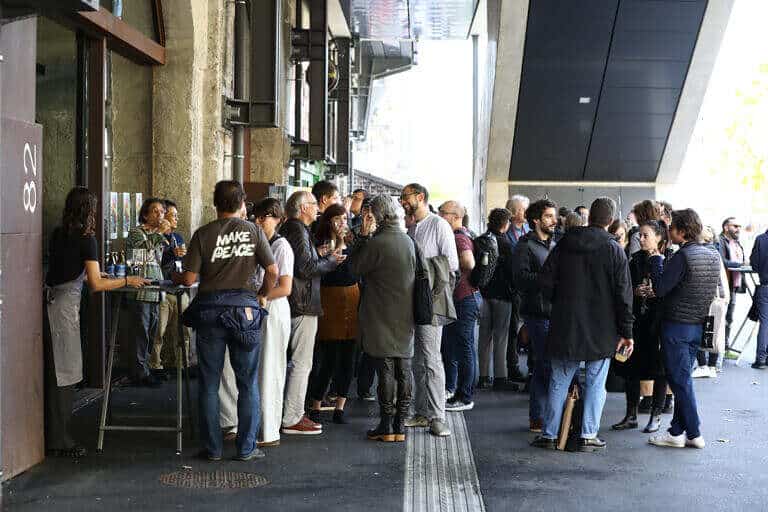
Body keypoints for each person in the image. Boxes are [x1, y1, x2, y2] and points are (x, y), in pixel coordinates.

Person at [176, 180, 278, 461]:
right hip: (245, 312)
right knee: (247, 383)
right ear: (242, 203)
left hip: (210, 312)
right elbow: (272, 270)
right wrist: (262, 295)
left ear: (215, 203)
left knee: (209, 383)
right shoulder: (254, 231)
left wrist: (175, 275)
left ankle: (213, 449)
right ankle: (246, 448)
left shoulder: (203, 234)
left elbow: (189, 278)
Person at [44, 187, 148, 458]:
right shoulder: (87, 239)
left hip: (50, 303)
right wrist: (127, 280)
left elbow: (74, 269)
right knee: (66, 373)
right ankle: (60, 440)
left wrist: (99, 274)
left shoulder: (58, 234)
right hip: (65, 309)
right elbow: (96, 284)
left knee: (55, 372)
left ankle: (55, 434)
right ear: (89, 210)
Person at [531, 197, 634, 452]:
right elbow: (624, 295)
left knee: (559, 380)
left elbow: (544, 282)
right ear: (610, 220)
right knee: (596, 382)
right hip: (602, 328)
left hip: (565, 324)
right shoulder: (614, 250)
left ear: (590, 217)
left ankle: (550, 434)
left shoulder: (565, 243)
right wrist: (626, 332)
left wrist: (560, 302)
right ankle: (588, 435)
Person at [647, 209, 720, 449]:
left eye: (671, 228)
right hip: (698, 326)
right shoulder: (712, 255)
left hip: (676, 327)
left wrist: (656, 260)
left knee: (680, 381)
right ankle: (677, 432)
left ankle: (694, 431)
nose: (669, 232)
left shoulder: (682, 256)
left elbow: (660, 288)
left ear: (682, 230)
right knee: (683, 379)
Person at [348, 195, 416, 442]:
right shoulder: (407, 241)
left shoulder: (377, 242)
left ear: (377, 215)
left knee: (385, 366)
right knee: (404, 367)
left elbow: (354, 268)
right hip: (405, 311)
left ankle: (386, 425)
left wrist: (362, 237)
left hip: (379, 311)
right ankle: (400, 424)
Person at [280, 191, 342, 436]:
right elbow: (305, 268)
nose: (317, 208)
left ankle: (289, 413)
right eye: (314, 204)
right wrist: (331, 262)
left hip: (297, 301)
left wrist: (320, 255)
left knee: (294, 362)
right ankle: (292, 417)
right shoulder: (297, 229)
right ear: (304, 208)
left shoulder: (294, 229)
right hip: (303, 303)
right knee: (301, 363)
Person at [400, 183, 458, 437]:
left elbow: (452, 263)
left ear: (420, 197)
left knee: (432, 359)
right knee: (417, 359)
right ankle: (422, 412)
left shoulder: (439, 225)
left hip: (431, 301)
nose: (402, 201)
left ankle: (437, 417)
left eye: (405, 197)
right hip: (412, 300)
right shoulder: (412, 227)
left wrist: (421, 270)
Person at [611, 220, 670, 434]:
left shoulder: (668, 258)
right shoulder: (635, 260)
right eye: (640, 236)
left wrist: (656, 291)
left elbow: (668, 289)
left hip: (659, 322)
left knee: (660, 370)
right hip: (637, 321)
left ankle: (656, 415)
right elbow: (624, 287)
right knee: (631, 368)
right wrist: (635, 291)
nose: (641, 239)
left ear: (659, 237)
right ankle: (631, 414)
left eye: (646, 236)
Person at [307, 203, 361, 424]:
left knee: (348, 355)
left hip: (352, 296)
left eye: (345, 219)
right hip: (329, 298)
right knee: (328, 356)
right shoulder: (320, 243)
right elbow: (316, 269)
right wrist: (329, 252)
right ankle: (316, 404)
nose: (342, 223)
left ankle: (340, 406)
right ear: (328, 221)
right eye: (337, 219)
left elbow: (359, 266)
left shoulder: (352, 241)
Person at [511, 199, 557, 433]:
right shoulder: (525, 246)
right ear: (536, 220)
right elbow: (519, 279)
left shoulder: (554, 244)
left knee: (543, 364)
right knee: (545, 363)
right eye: (548, 216)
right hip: (536, 313)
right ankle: (543, 416)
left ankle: (539, 415)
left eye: (554, 216)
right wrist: (547, 280)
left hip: (554, 311)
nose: (554, 220)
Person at [439, 200, 481, 412]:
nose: (440, 216)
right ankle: (455, 390)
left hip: (464, 298)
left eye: (443, 213)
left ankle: (465, 396)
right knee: (456, 346)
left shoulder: (459, 238)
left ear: (456, 217)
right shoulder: (465, 234)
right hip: (465, 298)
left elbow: (469, 263)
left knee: (464, 348)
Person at [125, 197, 168, 387]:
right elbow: (142, 253)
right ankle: (139, 373)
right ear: (145, 215)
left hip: (155, 289)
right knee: (140, 332)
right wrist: (159, 232)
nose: (160, 215)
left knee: (152, 331)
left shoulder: (158, 235)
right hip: (140, 290)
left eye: (162, 212)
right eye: (155, 211)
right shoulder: (136, 232)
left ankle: (147, 368)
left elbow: (157, 261)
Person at [477, 208, 517, 391]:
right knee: (501, 337)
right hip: (503, 295)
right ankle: (500, 377)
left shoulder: (481, 240)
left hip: (483, 293)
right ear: (505, 224)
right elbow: (511, 271)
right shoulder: (506, 244)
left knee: (484, 336)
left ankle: (483, 376)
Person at [151, 199, 191, 372]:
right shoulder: (156, 237)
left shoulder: (178, 237)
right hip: (162, 291)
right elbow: (152, 261)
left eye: (177, 215)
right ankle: (155, 366)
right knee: (158, 332)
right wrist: (171, 253)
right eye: (173, 215)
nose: (176, 218)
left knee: (184, 331)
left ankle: (182, 365)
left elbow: (182, 260)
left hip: (179, 290)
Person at [504, 195, 530, 382]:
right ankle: (512, 367)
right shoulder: (506, 232)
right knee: (512, 329)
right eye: (522, 209)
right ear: (513, 212)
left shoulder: (529, 230)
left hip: (528, 287)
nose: (525, 212)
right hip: (512, 287)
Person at [718, 217, 745, 348]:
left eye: (739, 226)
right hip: (723, 284)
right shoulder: (720, 241)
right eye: (735, 226)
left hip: (733, 285)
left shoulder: (736, 243)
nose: (738, 229)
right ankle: (717, 346)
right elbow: (722, 261)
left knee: (729, 317)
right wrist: (741, 264)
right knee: (720, 316)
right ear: (726, 227)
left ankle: (725, 345)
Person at [749, 224, 768, 370]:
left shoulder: (761, 239)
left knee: (765, 323)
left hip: (765, 285)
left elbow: (754, 264)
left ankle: (761, 359)